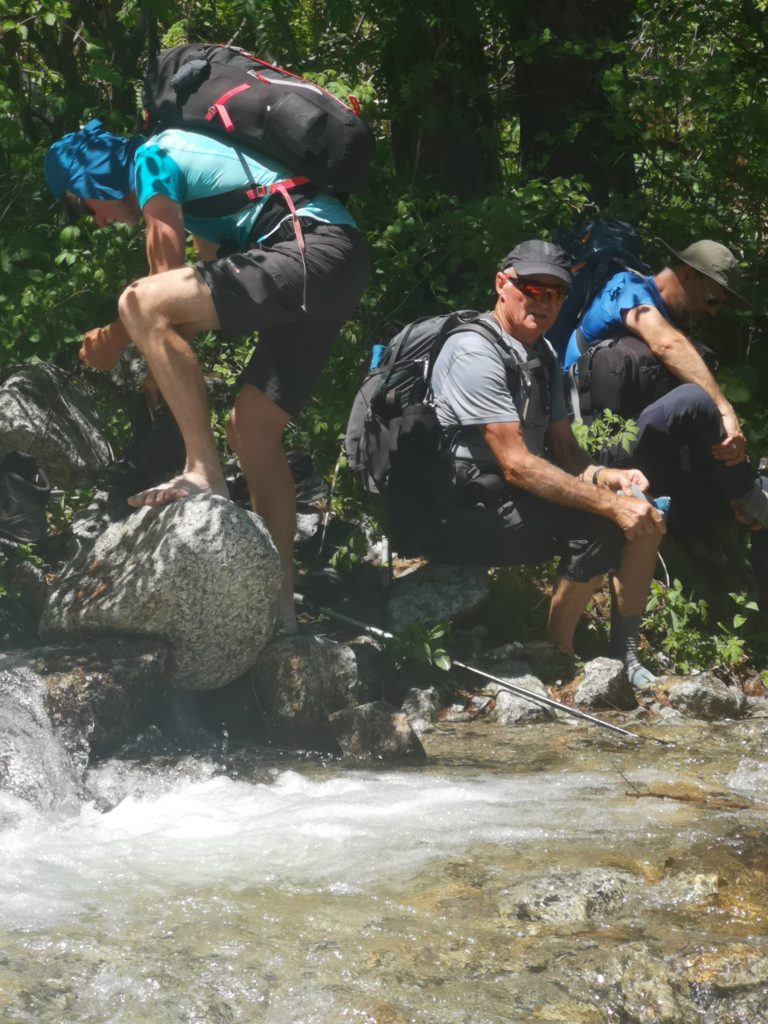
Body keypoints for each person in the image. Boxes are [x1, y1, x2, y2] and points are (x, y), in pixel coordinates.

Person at [44, 118, 370, 631]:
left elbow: (160, 284)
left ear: (93, 177)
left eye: (85, 206)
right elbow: (193, 295)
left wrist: (111, 338)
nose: (98, 221)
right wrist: (158, 358)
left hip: (308, 248)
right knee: (251, 429)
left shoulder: (152, 159)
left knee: (137, 301)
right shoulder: (190, 186)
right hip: (336, 261)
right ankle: (278, 606)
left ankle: (203, 471)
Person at [426, 241, 666, 687]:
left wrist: (608, 478)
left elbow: (567, 453)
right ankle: (560, 658)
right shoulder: (473, 352)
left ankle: (626, 653)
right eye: (532, 289)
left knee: (644, 515)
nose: (544, 302)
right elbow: (517, 464)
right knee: (604, 523)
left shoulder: (542, 354)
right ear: (502, 284)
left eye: (556, 294)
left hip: (506, 499)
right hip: (456, 511)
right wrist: (610, 506)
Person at [562, 238, 768, 596]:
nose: (714, 312)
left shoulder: (667, 317)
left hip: (641, 454)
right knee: (694, 399)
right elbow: (666, 344)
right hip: (592, 453)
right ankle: (749, 498)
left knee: (747, 491)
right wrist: (724, 409)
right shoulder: (627, 288)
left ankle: (740, 549)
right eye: (713, 299)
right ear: (688, 274)